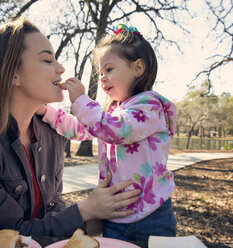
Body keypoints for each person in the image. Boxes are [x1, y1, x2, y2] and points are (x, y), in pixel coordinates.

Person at [0, 19, 141, 239]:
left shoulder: (51, 133)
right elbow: (13, 237)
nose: (60, 68)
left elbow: (52, 206)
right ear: (13, 74)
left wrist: (91, 222)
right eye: (47, 60)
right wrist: (85, 211)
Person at [40, 24, 177, 243]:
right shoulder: (112, 113)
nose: (102, 78)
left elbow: (118, 130)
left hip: (151, 214)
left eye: (110, 70)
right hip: (115, 214)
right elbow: (83, 129)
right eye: (101, 72)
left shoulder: (149, 106)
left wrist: (82, 101)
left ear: (138, 68)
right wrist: (47, 112)